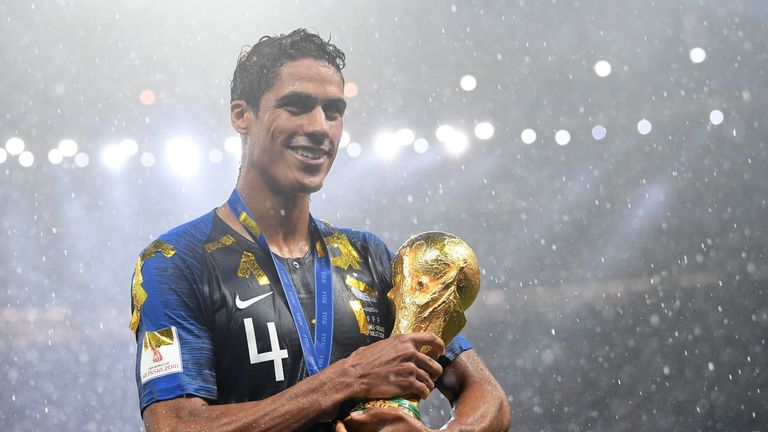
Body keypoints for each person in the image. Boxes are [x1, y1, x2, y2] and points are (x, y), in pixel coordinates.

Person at [129, 28, 511, 432]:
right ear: (241, 115)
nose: (320, 127)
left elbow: (488, 396)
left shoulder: (369, 257)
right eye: (296, 105)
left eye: (333, 111)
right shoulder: (174, 263)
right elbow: (175, 426)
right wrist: (350, 379)